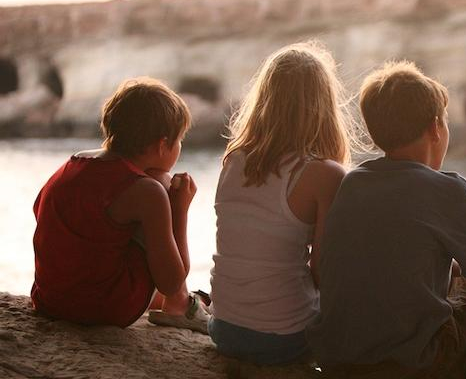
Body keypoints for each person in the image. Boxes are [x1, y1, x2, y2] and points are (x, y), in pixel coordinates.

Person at [307, 61, 466, 378]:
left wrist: (461, 268)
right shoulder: (448, 190)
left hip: (339, 360)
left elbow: (391, 254)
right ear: (435, 127)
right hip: (409, 367)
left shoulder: (353, 183)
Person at [209, 41, 356, 365]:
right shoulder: (324, 174)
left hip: (224, 328)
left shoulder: (233, 159)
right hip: (286, 338)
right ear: (323, 105)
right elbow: (323, 272)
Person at [31, 77, 209, 332]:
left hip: (51, 300)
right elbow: (171, 282)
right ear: (162, 145)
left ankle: (173, 301)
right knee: (161, 184)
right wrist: (180, 209)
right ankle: (182, 306)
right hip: (103, 309)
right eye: (179, 140)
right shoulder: (148, 191)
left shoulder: (72, 164)